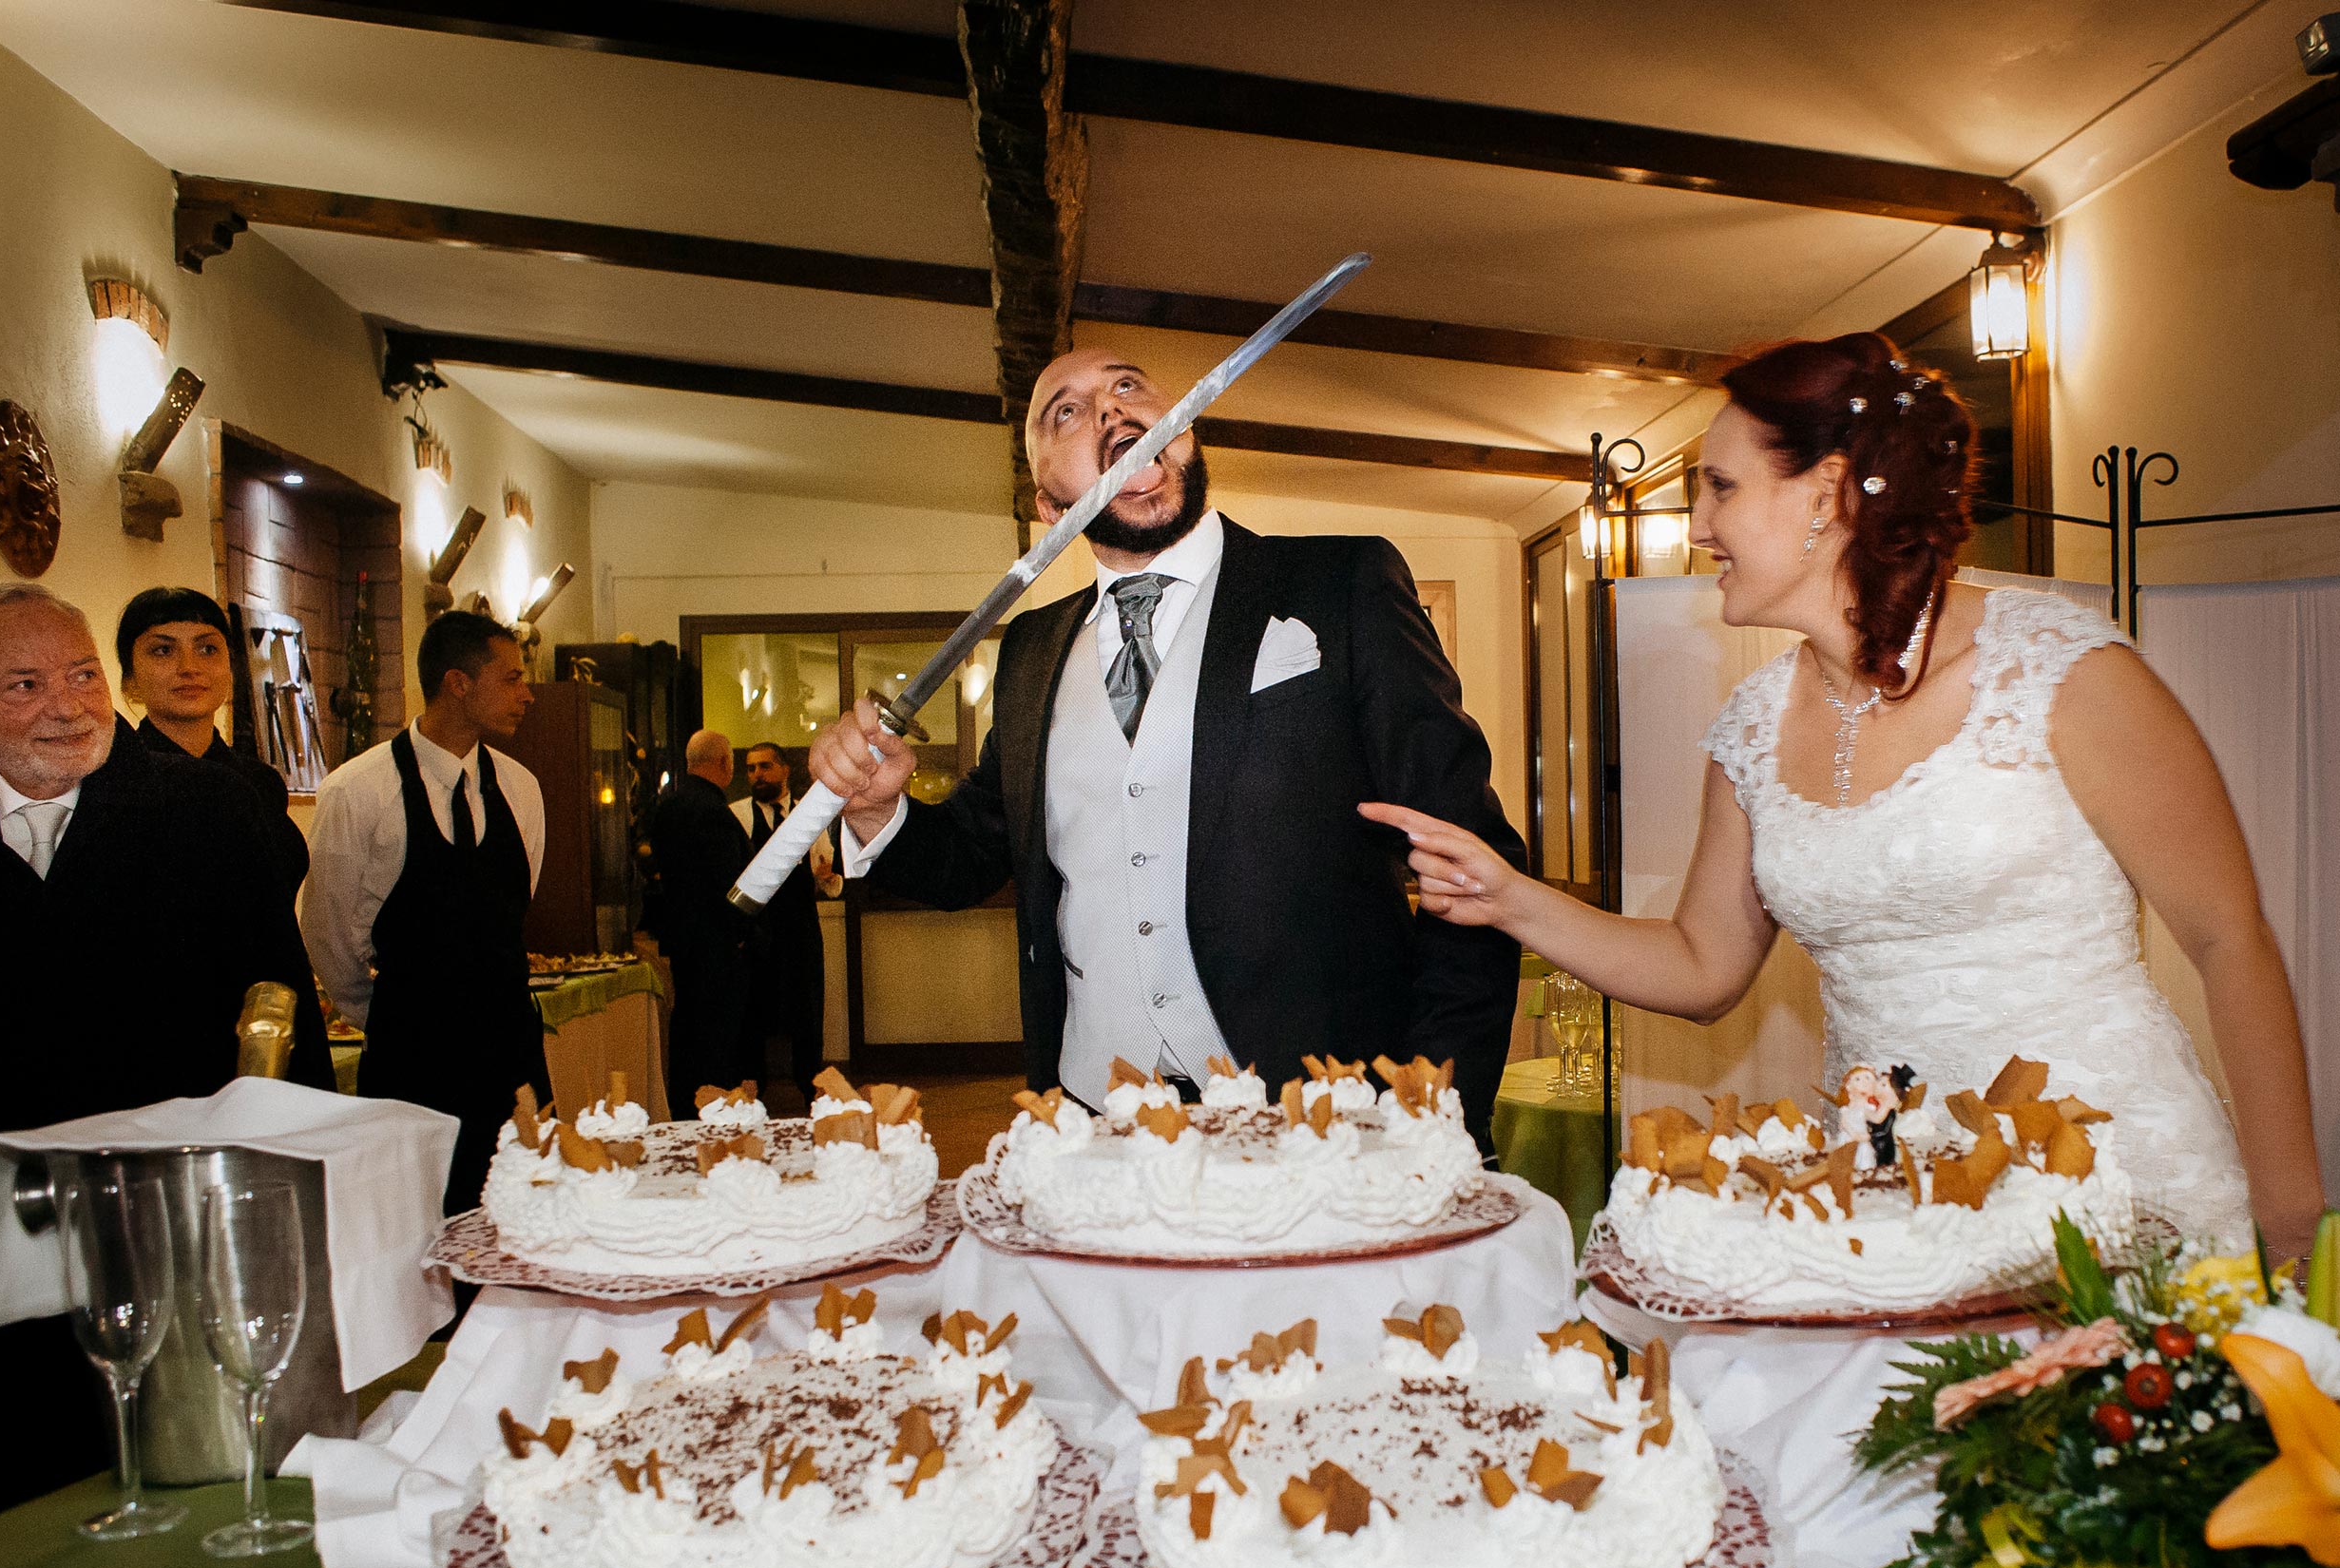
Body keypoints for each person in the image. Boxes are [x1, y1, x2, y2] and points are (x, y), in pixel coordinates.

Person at [1363, 332, 2328, 1258]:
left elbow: (2225, 935)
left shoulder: (2063, 671)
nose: (1698, 527)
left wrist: (2291, 1220)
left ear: (1825, 495)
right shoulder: (1750, 725)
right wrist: (1510, 899)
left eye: (1722, 487)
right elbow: (1702, 966)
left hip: (2107, 1184)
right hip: (1885, 1196)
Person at [810, 349, 1523, 1146]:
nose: (1112, 411)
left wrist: (1439, 1109)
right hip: (1092, 1115)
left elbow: (1470, 861)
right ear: (1047, 503)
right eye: (1067, 412)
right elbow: (972, 853)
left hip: (1323, 1122)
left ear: (1185, 427)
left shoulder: (1341, 581)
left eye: (1127, 387)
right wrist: (879, 813)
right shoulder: (1029, 651)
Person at [0, 582, 331, 1520]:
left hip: (168, 1221)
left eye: (84, 674)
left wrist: (281, 1180)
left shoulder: (205, 813)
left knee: (182, 1478)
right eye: (24, 684)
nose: (68, 705)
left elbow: (280, 1012)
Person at [304, 611, 545, 1214]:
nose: (527, 693)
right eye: (512, 678)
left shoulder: (521, 789)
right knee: (419, 1228)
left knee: (524, 1222)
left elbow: (514, 905)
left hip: (512, 1051)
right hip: (414, 1058)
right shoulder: (355, 791)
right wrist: (393, 1014)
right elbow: (328, 937)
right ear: (459, 683)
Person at [116, 585, 309, 888]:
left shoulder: (260, 782)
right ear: (130, 677)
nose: (189, 668)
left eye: (208, 649)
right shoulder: (118, 785)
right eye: (164, 650)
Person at [648, 729, 757, 1117]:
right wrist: (741, 937)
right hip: (718, 947)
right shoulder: (714, 812)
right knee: (720, 1036)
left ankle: (684, 1107)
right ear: (724, 764)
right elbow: (729, 887)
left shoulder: (667, 806)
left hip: (682, 941)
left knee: (689, 1028)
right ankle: (718, 1111)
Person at [731, 741, 837, 1105]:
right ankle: (751, 1090)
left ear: (784, 770)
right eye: (750, 768)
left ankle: (813, 1088)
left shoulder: (808, 814)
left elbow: (830, 878)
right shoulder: (737, 815)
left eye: (764, 767)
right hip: (756, 930)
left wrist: (827, 877)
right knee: (751, 1010)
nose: (756, 775)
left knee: (806, 1010)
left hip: (800, 927)